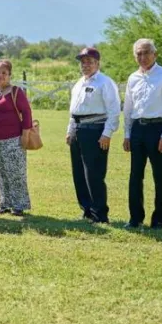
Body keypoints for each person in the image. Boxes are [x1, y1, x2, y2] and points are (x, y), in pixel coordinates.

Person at [122, 38, 162, 230]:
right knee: (135, 175)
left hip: (157, 129)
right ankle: (135, 218)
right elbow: (128, 108)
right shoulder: (133, 78)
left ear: (155, 54)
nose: (143, 57)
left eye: (146, 52)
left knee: (159, 176)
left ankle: (158, 220)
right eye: (139, 53)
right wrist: (127, 134)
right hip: (138, 128)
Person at [65, 47, 121, 224]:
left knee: (94, 174)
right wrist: (69, 130)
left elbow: (114, 110)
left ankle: (100, 214)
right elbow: (74, 111)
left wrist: (107, 133)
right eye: (83, 62)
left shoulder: (105, 82)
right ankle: (87, 210)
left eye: (89, 61)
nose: (85, 65)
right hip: (77, 129)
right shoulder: (79, 83)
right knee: (79, 173)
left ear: (97, 63)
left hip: (95, 129)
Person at [0, 60, 33, 216]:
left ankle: (19, 205)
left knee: (16, 173)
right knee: (1, 172)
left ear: (10, 75)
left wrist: (25, 135)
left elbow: (27, 114)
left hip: (13, 139)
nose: (0, 75)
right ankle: (4, 204)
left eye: (4, 73)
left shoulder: (16, 92)